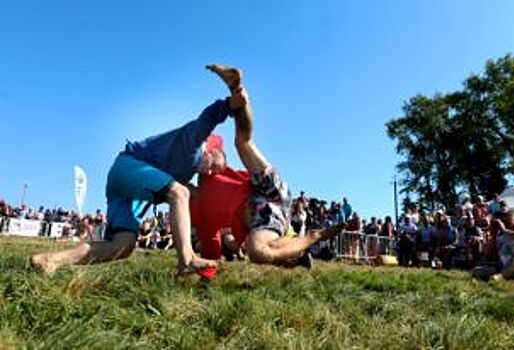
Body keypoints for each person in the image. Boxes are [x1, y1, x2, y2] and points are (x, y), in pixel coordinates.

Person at [31, 66, 238, 274]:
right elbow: (207, 119)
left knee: (123, 245)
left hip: (129, 191)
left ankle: (50, 261)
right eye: (213, 165)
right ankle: (186, 258)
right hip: (129, 166)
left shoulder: (187, 173)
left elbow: (196, 198)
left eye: (214, 173)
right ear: (209, 152)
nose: (210, 172)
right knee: (179, 192)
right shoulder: (193, 145)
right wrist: (229, 105)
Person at [190, 64, 345, 278]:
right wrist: (205, 280)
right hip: (265, 219)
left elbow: (216, 148)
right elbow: (210, 253)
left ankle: (237, 90)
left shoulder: (203, 170)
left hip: (264, 188)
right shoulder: (200, 217)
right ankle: (311, 239)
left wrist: (213, 159)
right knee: (258, 251)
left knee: (243, 144)